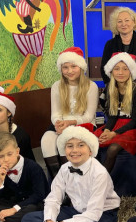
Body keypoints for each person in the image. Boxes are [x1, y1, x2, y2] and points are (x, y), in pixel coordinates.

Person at [21, 125, 120, 222]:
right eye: (69, 146)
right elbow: (53, 198)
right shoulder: (64, 169)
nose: (75, 150)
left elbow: (93, 214)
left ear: (90, 150)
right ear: (64, 149)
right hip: (75, 210)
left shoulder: (99, 173)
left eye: (81, 145)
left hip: (103, 214)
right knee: (28, 219)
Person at [40, 46, 98, 179]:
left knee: (65, 141)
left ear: (81, 67)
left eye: (73, 66)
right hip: (61, 124)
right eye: (65, 67)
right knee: (46, 140)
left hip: (83, 124)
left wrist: (69, 123)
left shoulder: (91, 86)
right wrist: (58, 124)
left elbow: (88, 116)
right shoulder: (57, 86)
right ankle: (58, 179)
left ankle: (72, 178)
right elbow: (55, 114)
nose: (69, 71)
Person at [95, 52, 136, 172]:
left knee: (113, 149)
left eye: (125, 69)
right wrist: (107, 130)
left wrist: (114, 133)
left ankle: (102, 179)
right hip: (115, 124)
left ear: (131, 71)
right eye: (116, 69)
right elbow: (112, 116)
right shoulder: (110, 88)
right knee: (93, 142)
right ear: (111, 71)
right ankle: (91, 175)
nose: (120, 73)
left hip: (132, 128)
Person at [100, 7, 136, 85]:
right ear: (116, 24)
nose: (123, 24)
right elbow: (104, 69)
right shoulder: (109, 44)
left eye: (127, 20)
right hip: (114, 87)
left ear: (134, 22)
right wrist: (114, 86)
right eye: (119, 21)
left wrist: (133, 86)